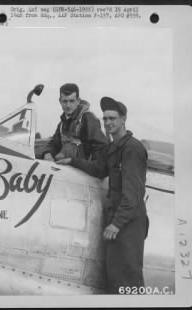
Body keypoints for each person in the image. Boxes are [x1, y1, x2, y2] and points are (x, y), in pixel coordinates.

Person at [57, 96, 149, 294]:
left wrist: (117, 224)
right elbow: (100, 170)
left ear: (123, 119)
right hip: (118, 220)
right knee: (114, 277)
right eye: (105, 119)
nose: (107, 123)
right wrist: (73, 161)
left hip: (129, 223)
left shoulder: (132, 148)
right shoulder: (114, 148)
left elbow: (133, 194)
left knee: (128, 280)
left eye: (112, 118)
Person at [42, 83, 108, 161]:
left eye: (71, 101)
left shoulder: (88, 118)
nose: (68, 105)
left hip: (84, 170)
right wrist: (48, 153)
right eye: (65, 101)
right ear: (60, 101)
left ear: (78, 101)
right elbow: (54, 143)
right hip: (68, 167)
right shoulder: (62, 124)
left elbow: (101, 148)